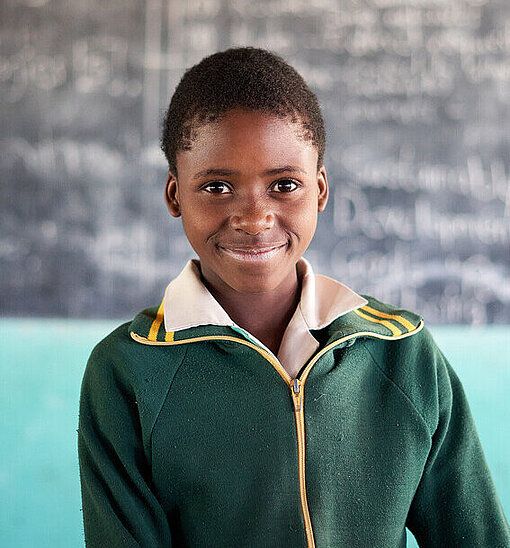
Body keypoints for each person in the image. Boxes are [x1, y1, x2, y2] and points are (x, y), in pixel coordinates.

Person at [78, 47, 509, 547]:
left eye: (285, 184)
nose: (255, 217)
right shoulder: (129, 371)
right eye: (217, 187)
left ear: (320, 191)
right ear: (175, 196)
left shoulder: (401, 351)